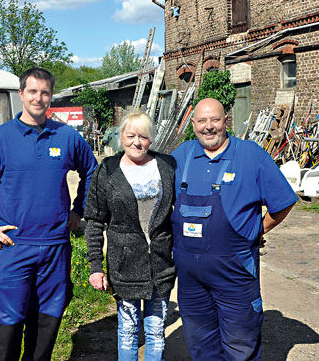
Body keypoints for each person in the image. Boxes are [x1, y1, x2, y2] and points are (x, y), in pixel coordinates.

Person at [0, 67, 98, 361]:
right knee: (9, 323)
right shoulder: (0, 139)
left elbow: (93, 171)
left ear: (51, 97)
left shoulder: (67, 137)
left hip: (56, 247)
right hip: (13, 248)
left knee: (47, 321)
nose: (38, 98)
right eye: (32, 91)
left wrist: (79, 210)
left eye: (45, 92)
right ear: (21, 94)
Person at [171, 98, 298, 360]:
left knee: (241, 345)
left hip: (235, 275)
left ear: (226, 120)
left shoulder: (250, 155)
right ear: (193, 124)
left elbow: (283, 203)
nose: (209, 127)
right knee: (201, 345)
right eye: (202, 121)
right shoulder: (181, 156)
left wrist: (257, 230)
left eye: (214, 120)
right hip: (190, 280)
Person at [84, 111, 177, 361]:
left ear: (151, 139)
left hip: (160, 263)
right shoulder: (108, 170)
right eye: (131, 135)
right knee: (128, 330)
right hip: (124, 265)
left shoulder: (167, 166)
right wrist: (95, 266)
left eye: (143, 136)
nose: (137, 142)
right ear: (121, 137)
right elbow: (94, 221)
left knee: (156, 330)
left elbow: (180, 213)